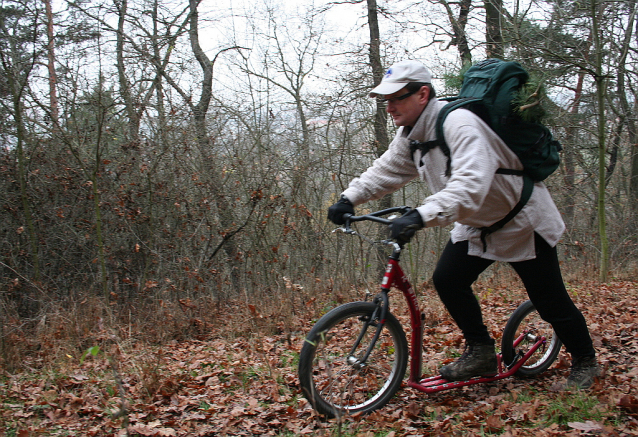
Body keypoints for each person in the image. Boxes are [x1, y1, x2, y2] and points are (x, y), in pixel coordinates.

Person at [327, 60, 599, 389]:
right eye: (386, 100)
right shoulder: (411, 136)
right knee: (448, 279)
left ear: (423, 94)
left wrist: (421, 214)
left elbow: (471, 184)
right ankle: (481, 350)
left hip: (521, 220)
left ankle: (585, 360)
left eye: (397, 97)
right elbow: (385, 171)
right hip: (476, 222)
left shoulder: (459, 123)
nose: (390, 107)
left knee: (549, 301)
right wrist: (348, 198)